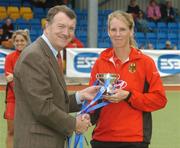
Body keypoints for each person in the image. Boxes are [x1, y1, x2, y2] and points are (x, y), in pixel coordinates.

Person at [13, 5, 100, 148]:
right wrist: (75, 124)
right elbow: (43, 107)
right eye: (61, 26)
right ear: (47, 26)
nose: (66, 33)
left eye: (71, 28)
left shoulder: (49, 53)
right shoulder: (35, 56)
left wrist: (81, 95)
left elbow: (54, 102)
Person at [89, 10, 167, 148]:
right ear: (108, 31)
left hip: (134, 139)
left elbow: (159, 100)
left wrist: (129, 95)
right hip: (102, 138)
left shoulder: (145, 62)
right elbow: (92, 100)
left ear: (131, 31)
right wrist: (85, 116)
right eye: (113, 29)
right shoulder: (100, 62)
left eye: (123, 29)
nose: (117, 34)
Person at [4, 29, 30, 148]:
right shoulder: (9, 57)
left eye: (22, 40)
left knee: (27, 132)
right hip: (12, 99)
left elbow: (33, 79)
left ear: (26, 41)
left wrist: (15, 77)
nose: (19, 43)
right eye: (17, 41)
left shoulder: (31, 57)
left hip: (30, 100)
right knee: (11, 131)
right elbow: (9, 79)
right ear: (14, 42)